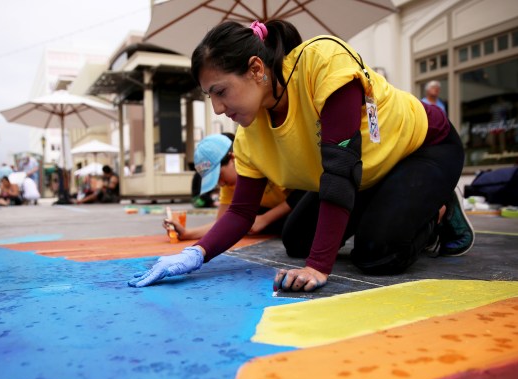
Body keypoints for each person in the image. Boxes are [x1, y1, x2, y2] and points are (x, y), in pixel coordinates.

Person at [131, 20, 474, 292]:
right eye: (210, 96)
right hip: (366, 170)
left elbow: (339, 172)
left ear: (255, 69)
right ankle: (393, 201)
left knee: (378, 254)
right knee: (297, 240)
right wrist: (195, 254)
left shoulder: (322, 63)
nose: (218, 108)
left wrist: (318, 267)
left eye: (220, 91)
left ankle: (440, 209)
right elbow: (240, 212)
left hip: (423, 147)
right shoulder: (249, 135)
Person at [164, 133, 295, 240]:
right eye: (215, 180)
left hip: (305, 206)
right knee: (240, 222)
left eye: (220, 175)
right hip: (280, 214)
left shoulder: (262, 160)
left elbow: (303, 193)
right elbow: (222, 224)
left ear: (232, 158)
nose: (221, 183)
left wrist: (265, 219)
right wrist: (187, 233)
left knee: (291, 237)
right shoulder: (228, 184)